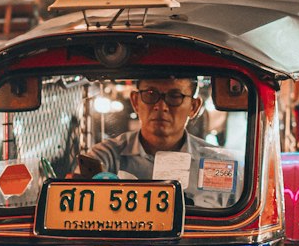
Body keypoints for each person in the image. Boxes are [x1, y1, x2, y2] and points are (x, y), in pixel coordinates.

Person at [76, 76, 238, 208]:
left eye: (175, 97)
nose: (161, 106)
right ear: (135, 101)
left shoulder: (219, 163)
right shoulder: (105, 157)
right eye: (150, 94)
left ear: (194, 107)